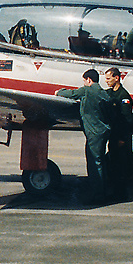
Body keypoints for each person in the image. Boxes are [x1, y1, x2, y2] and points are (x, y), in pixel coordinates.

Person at [57, 69, 111, 204]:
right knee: (100, 162)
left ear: (89, 80)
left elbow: (72, 94)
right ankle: (103, 191)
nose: (84, 83)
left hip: (94, 132)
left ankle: (98, 196)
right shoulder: (103, 93)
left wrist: (59, 92)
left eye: (84, 80)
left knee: (94, 163)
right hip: (103, 131)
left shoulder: (88, 90)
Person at [104, 67, 133, 201]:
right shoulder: (109, 93)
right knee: (114, 163)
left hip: (120, 137)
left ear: (117, 78)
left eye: (108, 78)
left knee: (120, 166)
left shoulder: (124, 96)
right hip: (113, 135)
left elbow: (126, 119)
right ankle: (116, 192)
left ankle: (121, 194)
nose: (106, 81)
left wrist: (122, 138)